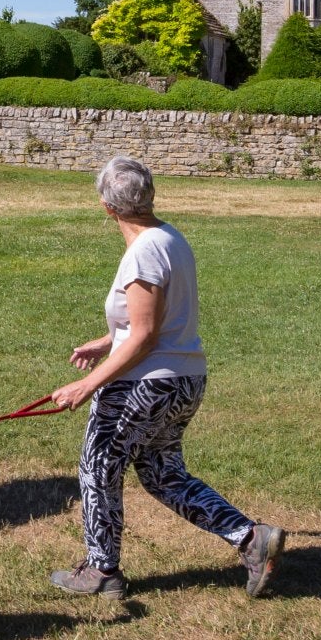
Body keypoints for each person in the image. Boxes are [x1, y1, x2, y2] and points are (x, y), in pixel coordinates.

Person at [45, 155, 283, 600]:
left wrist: (87, 383)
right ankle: (252, 540)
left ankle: (101, 571)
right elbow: (149, 324)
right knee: (161, 473)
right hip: (182, 380)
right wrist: (106, 341)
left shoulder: (144, 252)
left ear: (106, 207)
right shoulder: (169, 238)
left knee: (98, 467)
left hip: (147, 384)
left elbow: (147, 337)